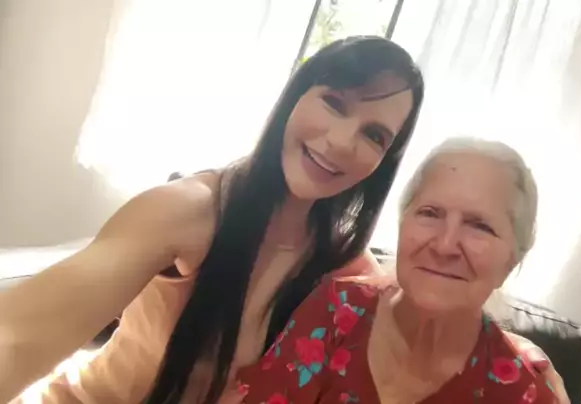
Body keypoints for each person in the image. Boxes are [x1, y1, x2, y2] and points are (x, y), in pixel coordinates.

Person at [0, 36, 567, 403]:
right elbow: (21, 334)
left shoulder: (341, 264)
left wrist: (523, 361)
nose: (340, 142)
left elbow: (434, 294)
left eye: (374, 135)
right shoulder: (189, 211)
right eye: (334, 103)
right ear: (296, 93)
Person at [229, 137, 561, 403]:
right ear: (402, 225)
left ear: (512, 260)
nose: (445, 245)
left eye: (479, 226)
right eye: (430, 213)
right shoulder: (338, 310)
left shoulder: (523, 392)